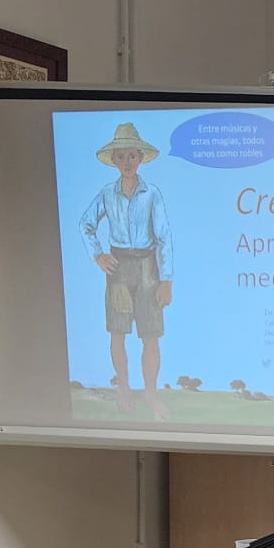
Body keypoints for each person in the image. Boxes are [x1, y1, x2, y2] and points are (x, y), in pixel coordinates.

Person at [80, 122, 174, 420]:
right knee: (118, 332)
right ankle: (123, 388)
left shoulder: (152, 194)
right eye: (121, 157)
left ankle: (150, 392)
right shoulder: (108, 193)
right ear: (114, 160)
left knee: (151, 334)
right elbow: (86, 224)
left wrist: (166, 280)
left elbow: (164, 237)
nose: (127, 162)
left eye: (132, 156)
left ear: (141, 157)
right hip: (119, 266)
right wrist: (98, 255)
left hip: (148, 266)